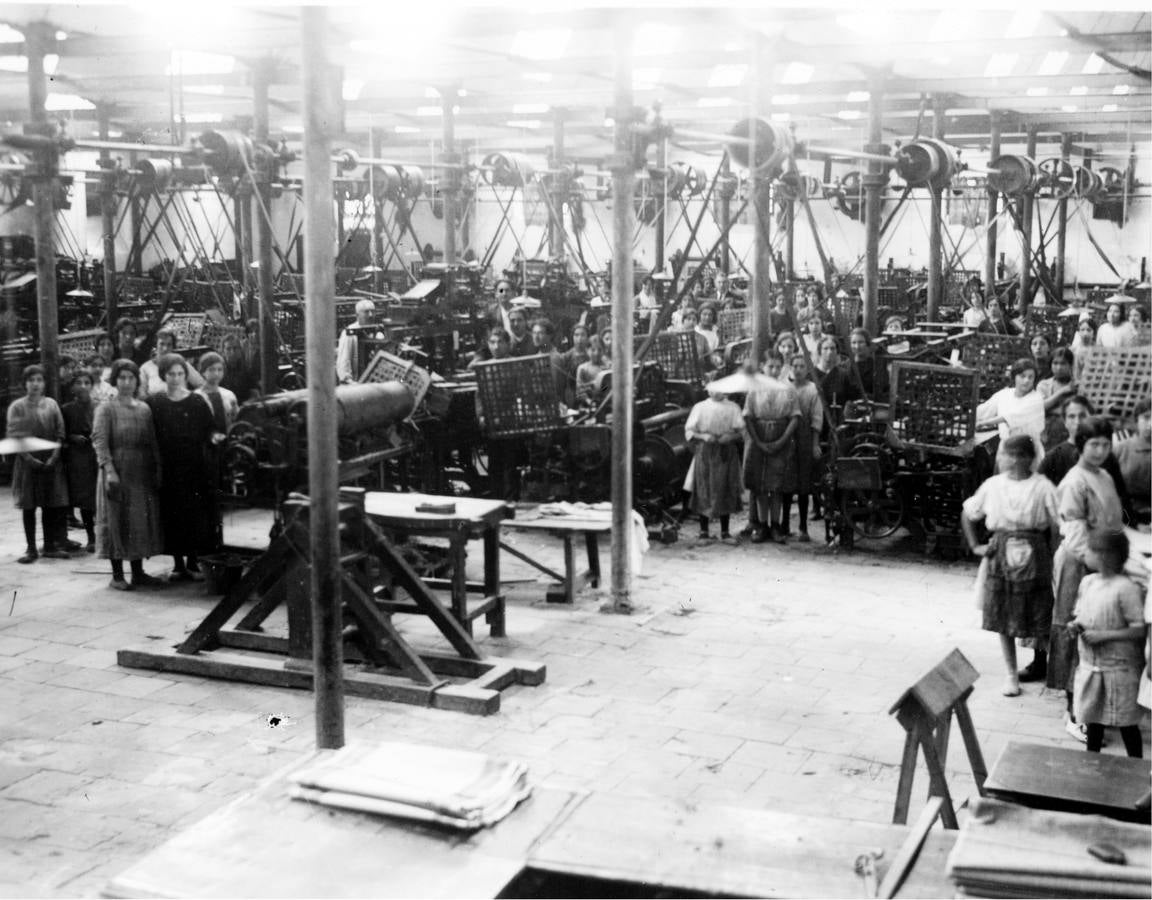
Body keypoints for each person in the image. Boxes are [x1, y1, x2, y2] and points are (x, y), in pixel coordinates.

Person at [961, 434, 1060, 697]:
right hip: (1001, 552)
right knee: (1004, 614)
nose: (1015, 461)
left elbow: (1056, 524)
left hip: (1035, 551)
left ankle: (1051, 671)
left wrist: (1052, 554)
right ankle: (1011, 674)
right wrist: (975, 546)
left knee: (1040, 612)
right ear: (1002, 457)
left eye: (1022, 455)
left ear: (1031, 458)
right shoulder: (993, 485)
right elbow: (969, 512)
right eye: (1010, 454)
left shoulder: (1042, 486)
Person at [1047, 415, 1126, 742]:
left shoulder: (1105, 475)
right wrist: (1105, 568)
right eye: (1093, 444)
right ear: (1081, 445)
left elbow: (1114, 523)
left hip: (1103, 562)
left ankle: (1094, 707)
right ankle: (1073, 712)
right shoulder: (1074, 481)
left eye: (1105, 444)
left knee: (1099, 631)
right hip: (1078, 564)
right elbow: (1076, 536)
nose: (1100, 450)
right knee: (1073, 630)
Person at [1067, 529, 1145, 757]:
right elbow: (1082, 614)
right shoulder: (1088, 582)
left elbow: (1138, 630)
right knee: (1094, 720)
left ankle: (1136, 769)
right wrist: (1076, 626)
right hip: (1092, 667)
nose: (1085, 553)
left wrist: (1105, 636)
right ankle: (1093, 765)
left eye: (1090, 550)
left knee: (1126, 723)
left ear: (1106, 556)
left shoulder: (1125, 588)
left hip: (1119, 670)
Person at [149, 353, 224, 582]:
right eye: (171, 374)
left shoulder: (196, 401)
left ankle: (193, 561)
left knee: (194, 514)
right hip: (168, 466)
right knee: (172, 515)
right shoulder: (155, 403)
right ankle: (177, 564)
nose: (176, 378)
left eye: (180, 373)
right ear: (164, 375)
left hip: (193, 466)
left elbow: (209, 429)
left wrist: (215, 438)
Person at [92, 359, 164, 590]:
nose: (126, 382)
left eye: (131, 378)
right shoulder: (106, 408)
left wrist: (156, 468)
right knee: (116, 517)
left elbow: (152, 442)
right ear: (115, 380)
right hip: (117, 469)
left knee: (137, 520)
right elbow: (100, 442)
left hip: (139, 470)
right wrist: (110, 471)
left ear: (137, 381)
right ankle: (117, 576)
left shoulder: (144, 408)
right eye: (122, 377)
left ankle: (138, 572)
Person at [6, 365, 70, 563]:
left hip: (51, 462)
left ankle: (49, 546)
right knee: (29, 506)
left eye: (39, 380)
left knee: (50, 505)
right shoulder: (17, 407)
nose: (35, 384)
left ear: (44, 383)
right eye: (31, 380)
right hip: (28, 464)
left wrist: (53, 457)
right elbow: (14, 436)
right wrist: (30, 460)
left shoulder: (51, 404)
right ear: (24, 384)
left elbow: (60, 432)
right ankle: (31, 548)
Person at [743, 350, 801, 544]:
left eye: (778, 366)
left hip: (780, 436)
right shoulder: (754, 389)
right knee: (760, 486)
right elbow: (748, 416)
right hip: (758, 436)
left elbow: (794, 417)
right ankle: (761, 525)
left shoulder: (789, 388)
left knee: (776, 486)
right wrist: (758, 442)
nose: (774, 370)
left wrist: (781, 440)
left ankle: (776, 525)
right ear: (762, 367)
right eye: (770, 366)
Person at [684, 385, 744, 543]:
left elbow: (741, 432)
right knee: (704, 487)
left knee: (726, 487)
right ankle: (704, 531)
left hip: (725, 452)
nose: (716, 391)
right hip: (706, 452)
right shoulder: (700, 407)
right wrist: (703, 436)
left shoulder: (733, 407)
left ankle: (725, 532)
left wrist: (730, 437)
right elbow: (689, 431)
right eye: (712, 387)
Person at [781, 353, 823, 543]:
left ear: (808, 369)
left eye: (802, 366)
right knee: (787, 482)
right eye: (795, 366)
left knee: (804, 483)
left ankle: (803, 526)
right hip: (787, 438)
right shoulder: (784, 387)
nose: (798, 370)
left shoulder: (813, 389)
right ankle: (784, 524)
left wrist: (814, 444)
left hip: (805, 437)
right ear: (790, 368)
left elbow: (816, 419)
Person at [976, 358, 1046, 464]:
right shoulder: (1004, 394)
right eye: (1022, 376)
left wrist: (984, 423)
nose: (1026, 380)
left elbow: (1010, 417)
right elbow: (983, 411)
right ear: (1014, 377)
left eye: (1030, 377)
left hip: (1028, 452)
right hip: (1005, 450)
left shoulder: (1036, 398)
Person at [61, 371, 99, 552]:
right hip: (79, 459)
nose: (83, 386)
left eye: (87, 382)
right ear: (72, 387)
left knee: (100, 498)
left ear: (92, 386)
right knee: (85, 500)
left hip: (97, 455)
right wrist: (72, 437)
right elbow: (61, 435)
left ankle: (104, 536)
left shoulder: (100, 407)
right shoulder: (67, 409)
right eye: (79, 383)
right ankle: (91, 537)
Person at [1115, 397, 1151, 524]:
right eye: (1146, 418)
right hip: (1125, 516)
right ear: (1136, 420)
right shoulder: (1121, 449)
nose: (1151, 424)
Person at [140, 330, 205, 396]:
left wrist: (191, 399)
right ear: (155, 346)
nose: (165, 348)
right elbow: (141, 393)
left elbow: (202, 385)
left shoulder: (182, 364)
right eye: (162, 344)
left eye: (169, 345)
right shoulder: (146, 368)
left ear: (173, 347)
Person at [1037, 347, 1077, 449]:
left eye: (1063, 363)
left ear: (1070, 365)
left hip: (1071, 433)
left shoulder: (1077, 386)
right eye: (1055, 363)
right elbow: (1040, 407)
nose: (1058, 367)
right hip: (1047, 435)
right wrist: (1062, 392)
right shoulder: (1044, 385)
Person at [196, 352, 240, 432]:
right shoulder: (197, 396)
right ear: (203, 372)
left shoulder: (229, 395)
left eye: (220, 369)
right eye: (211, 369)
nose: (216, 373)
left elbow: (236, 420)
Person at [337, 299, 377, 383]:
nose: (370, 315)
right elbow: (344, 362)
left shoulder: (376, 331)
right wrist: (350, 382)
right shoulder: (350, 333)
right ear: (357, 315)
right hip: (356, 383)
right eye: (366, 312)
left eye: (373, 311)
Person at [848, 327, 888, 402]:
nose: (857, 346)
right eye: (853, 343)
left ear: (867, 343)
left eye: (860, 342)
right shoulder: (845, 366)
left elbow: (883, 391)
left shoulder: (876, 366)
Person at [221, 333, 259, 402]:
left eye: (235, 348)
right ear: (223, 351)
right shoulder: (219, 370)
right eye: (228, 349)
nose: (232, 352)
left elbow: (254, 391)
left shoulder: (246, 369)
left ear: (240, 350)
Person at [575, 335, 607, 405]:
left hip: (607, 402)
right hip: (590, 405)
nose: (596, 353)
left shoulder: (607, 367)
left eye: (600, 350)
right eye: (593, 350)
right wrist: (589, 401)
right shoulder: (582, 368)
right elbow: (579, 391)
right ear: (587, 350)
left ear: (604, 350)